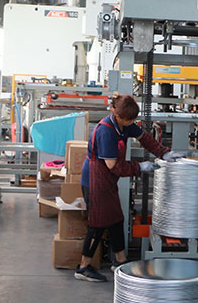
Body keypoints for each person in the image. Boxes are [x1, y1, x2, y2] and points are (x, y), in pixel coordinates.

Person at [75, 94, 185, 282]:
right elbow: (113, 166)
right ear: (117, 116)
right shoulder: (106, 131)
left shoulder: (124, 125)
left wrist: (164, 153)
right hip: (95, 180)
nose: (132, 123)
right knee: (97, 225)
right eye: (129, 120)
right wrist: (139, 167)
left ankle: (120, 261)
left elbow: (144, 138)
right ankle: (83, 267)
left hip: (107, 180)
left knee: (116, 219)